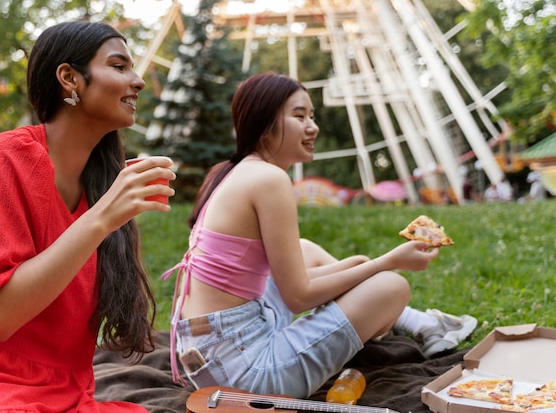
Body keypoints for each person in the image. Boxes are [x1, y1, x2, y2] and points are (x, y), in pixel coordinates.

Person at [162, 73, 476, 398]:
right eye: (299, 116)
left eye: (311, 116)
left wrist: (358, 267)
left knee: (307, 250)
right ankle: (417, 322)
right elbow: (297, 296)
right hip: (246, 376)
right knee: (391, 285)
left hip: (204, 349)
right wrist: (387, 262)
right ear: (264, 121)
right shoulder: (269, 180)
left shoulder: (232, 170)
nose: (313, 127)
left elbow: (291, 286)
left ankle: (417, 323)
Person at [0, 21, 176, 412]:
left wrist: (105, 213)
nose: (139, 80)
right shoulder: (9, 157)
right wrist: (100, 219)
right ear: (69, 78)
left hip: (64, 390)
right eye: (119, 66)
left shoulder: (104, 185)